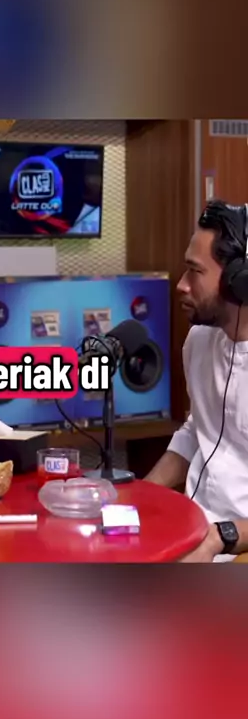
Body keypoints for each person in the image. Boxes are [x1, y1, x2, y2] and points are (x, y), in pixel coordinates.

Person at [146, 200, 248, 562]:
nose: (181, 285)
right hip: (193, 530)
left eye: (195, 271)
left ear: (239, 282)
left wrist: (220, 538)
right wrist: (140, 495)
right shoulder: (199, 341)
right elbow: (196, 430)